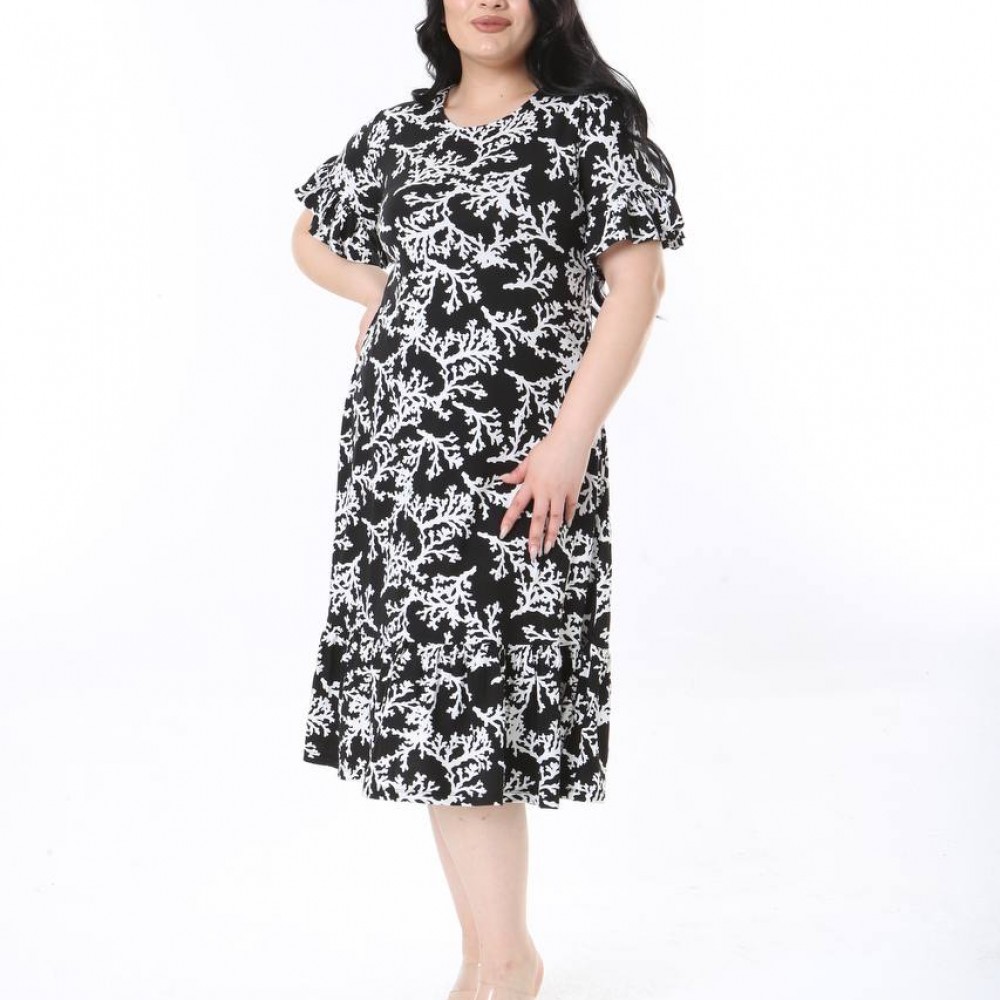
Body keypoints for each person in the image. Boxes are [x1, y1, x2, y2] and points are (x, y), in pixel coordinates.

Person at [290, 2, 685, 997]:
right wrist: (387, 292)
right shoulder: (399, 131)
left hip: (522, 465)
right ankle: (488, 958)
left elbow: (636, 289)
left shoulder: (587, 128)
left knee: (479, 708)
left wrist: (567, 444)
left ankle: (505, 961)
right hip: (400, 463)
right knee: (436, 713)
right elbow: (309, 238)